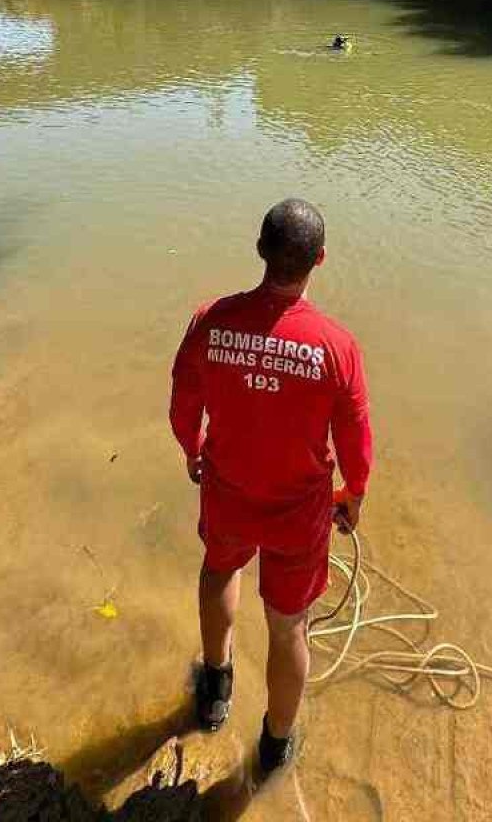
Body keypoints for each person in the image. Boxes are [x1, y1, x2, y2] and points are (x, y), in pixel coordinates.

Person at [169, 198, 372, 776]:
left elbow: (184, 401)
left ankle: (215, 690)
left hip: (228, 491)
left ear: (259, 248)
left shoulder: (212, 320)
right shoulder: (337, 346)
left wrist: (191, 449)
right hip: (298, 512)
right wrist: (353, 495)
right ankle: (275, 747)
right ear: (321, 259)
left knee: (218, 572)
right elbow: (357, 439)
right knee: (288, 626)